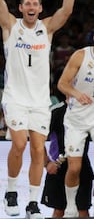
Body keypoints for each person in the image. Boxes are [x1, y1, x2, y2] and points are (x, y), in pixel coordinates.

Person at [0, 0, 78, 218]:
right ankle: (10, 191)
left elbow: (66, 10)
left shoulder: (47, 28)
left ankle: (31, 202)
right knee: (19, 144)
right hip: (16, 98)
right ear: (20, 8)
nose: (31, 7)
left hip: (40, 101)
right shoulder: (11, 26)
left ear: (40, 9)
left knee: (39, 149)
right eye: (26, 3)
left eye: (35, 4)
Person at [57, 46, 94, 217]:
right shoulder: (81, 56)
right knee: (74, 168)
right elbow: (62, 84)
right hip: (77, 119)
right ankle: (71, 207)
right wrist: (76, 93)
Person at [41, 102, 93, 218]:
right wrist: (47, 163)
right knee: (59, 211)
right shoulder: (56, 112)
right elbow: (38, 139)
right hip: (59, 165)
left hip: (82, 166)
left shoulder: (88, 111)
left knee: (82, 212)